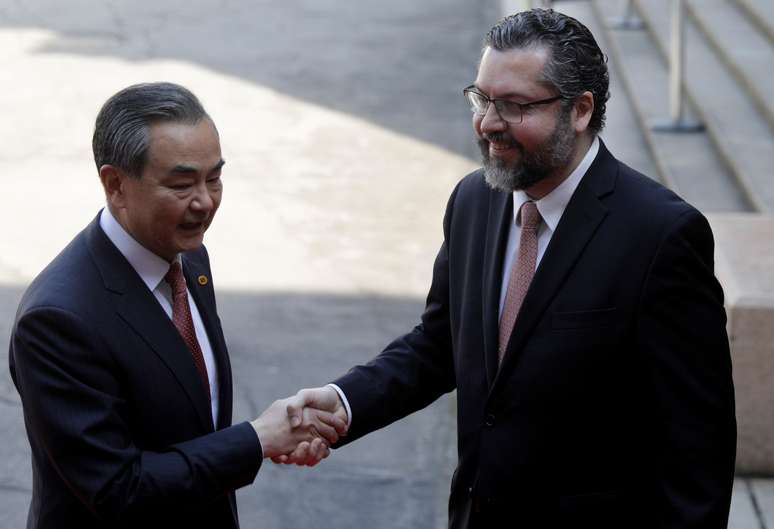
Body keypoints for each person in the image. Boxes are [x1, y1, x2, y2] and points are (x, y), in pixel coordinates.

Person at [281, 9, 736, 529]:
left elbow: (696, 448)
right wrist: (344, 403)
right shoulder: (474, 200)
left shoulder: (662, 235)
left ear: (580, 110)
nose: (488, 123)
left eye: (515, 106)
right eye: (482, 99)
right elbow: (439, 346)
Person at [8, 82, 345, 529]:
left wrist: (269, 438)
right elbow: (119, 491)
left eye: (215, 178)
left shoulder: (188, 258)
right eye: (182, 184)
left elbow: (190, 420)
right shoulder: (57, 320)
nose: (205, 202)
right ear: (115, 184)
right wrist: (255, 440)